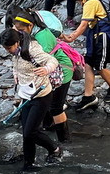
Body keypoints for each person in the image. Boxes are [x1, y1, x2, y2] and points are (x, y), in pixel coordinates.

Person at [0, 26, 62, 170]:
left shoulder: (32, 49)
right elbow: (15, 64)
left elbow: (52, 61)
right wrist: (16, 74)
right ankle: (29, 163)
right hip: (26, 95)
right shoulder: (15, 50)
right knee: (26, 133)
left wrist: (46, 69)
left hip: (41, 95)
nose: (7, 51)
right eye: (5, 48)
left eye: (9, 48)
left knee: (30, 132)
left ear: (17, 43)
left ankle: (55, 149)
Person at [12, 9, 74, 144]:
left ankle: (65, 140)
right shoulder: (32, 33)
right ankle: (48, 126)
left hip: (62, 71)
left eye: (21, 30)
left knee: (56, 107)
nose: (19, 33)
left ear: (30, 26)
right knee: (49, 103)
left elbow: (44, 60)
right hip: (49, 72)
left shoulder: (41, 37)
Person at [63, 0, 110, 109]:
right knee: (88, 63)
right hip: (96, 35)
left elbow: (84, 24)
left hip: (103, 36)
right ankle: (88, 96)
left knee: (99, 65)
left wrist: (72, 37)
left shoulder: (91, 2)